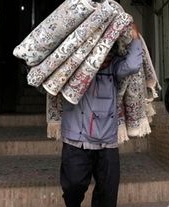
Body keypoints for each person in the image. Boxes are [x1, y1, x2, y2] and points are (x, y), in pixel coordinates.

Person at [59, 25, 144, 207]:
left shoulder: (113, 68)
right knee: (73, 186)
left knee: (107, 195)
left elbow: (133, 65)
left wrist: (135, 38)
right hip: (77, 142)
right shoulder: (72, 68)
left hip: (106, 143)